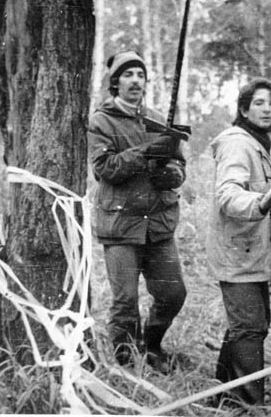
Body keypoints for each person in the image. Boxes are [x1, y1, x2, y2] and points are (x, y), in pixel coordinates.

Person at [88, 51, 187, 374]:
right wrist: (146, 152)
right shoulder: (101, 121)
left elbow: (179, 165)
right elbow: (105, 168)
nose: (135, 81)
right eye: (128, 75)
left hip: (158, 224)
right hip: (120, 225)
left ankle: (152, 345)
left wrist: (171, 174)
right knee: (125, 303)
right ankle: (126, 365)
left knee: (173, 294)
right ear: (115, 82)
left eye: (140, 75)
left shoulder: (159, 120)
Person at [207, 78, 271, 405]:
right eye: (259, 103)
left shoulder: (260, 143)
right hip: (237, 251)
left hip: (250, 250)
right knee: (250, 328)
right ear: (243, 109)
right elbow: (228, 194)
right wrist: (262, 203)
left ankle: (223, 395)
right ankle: (249, 405)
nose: (267, 109)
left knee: (251, 325)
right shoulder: (238, 144)